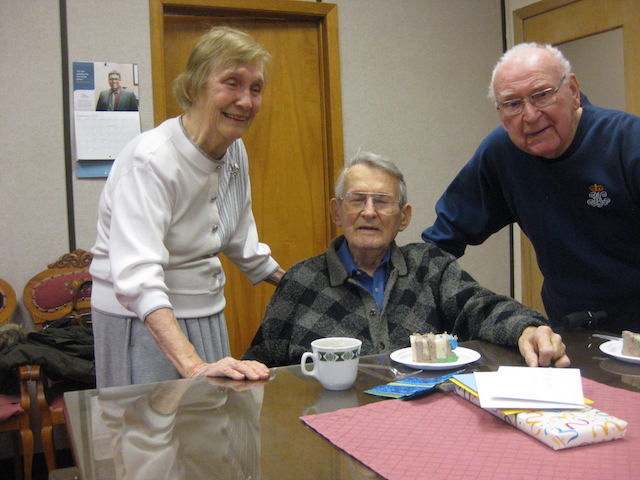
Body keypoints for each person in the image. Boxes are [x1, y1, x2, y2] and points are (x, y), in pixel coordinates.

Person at [242, 152, 569, 368]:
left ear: (404, 217)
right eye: (357, 200)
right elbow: (259, 366)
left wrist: (526, 328)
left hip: (422, 428)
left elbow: (480, 307)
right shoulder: (300, 282)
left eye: (382, 201)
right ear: (336, 212)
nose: (369, 212)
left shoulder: (430, 267)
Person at [90, 26, 284, 388]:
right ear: (194, 86)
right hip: (143, 320)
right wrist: (193, 366)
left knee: (210, 417)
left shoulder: (233, 148)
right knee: (153, 424)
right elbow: (138, 279)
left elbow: (238, 238)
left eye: (256, 88)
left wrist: (296, 285)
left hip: (206, 313)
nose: (246, 101)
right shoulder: (150, 160)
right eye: (232, 83)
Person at [422, 43, 640, 334]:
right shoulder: (501, 153)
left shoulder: (628, 141)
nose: (531, 115)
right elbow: (443, 240)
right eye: (512, 104)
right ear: (501, 115)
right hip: (571, 328)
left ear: (573, 91)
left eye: (542, 95)